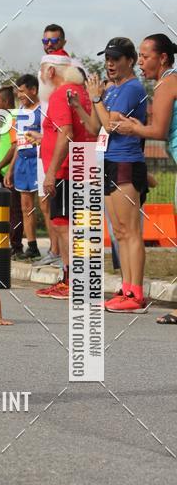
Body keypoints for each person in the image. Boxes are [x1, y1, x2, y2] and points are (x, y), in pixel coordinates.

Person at [81, 38, 149, 313]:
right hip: (109, 161)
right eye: (107, 58)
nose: (110, 63)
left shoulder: (132, 88)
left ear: (129, 61)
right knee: (119, 231)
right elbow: (94, 126)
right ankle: (125, 288)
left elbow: (110, 125)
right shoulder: (111, 90)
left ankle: (136, 293)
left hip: (126, 162)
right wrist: (88, 100)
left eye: (116, 58)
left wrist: (97, 98)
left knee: (131, 231)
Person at [115, 33, 177, 323]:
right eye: (139, 56)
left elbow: (159, 131)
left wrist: (134, 128)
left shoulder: (167, 84)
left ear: (162, 58)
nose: (140, 62)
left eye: (145, 56)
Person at [35, 55, 96, 299]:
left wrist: (51, 172)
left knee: (63, 226)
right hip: (83, 164)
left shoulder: (61, 94)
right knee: (77, 225)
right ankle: (78, 280)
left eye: (41, 71)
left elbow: (66, 133)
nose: (40, 77)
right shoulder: (81, 92)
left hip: (66, 169)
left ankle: (73, 281)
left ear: (50, 71)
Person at [4, 74, 42, 261]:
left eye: (22, 91)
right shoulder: (19, 111)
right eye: (17, 91)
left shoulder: (43, 109)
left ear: (33, 90)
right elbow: (18, 144)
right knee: (26, 206)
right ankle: (32, 246)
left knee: (46, 206)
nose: (19, 95)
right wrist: (10, 169)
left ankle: (56, 249)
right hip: (22, 163)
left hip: (39, 161)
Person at [0, 86, 23, 256]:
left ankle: (16, 246)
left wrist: (1, 167)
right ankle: (12, 243)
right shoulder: (9, 118)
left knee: (15, 210)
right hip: (5, 172)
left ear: (5, 102)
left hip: (11, 172)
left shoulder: (13, 117)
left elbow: (14, 146)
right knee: (9, 210)